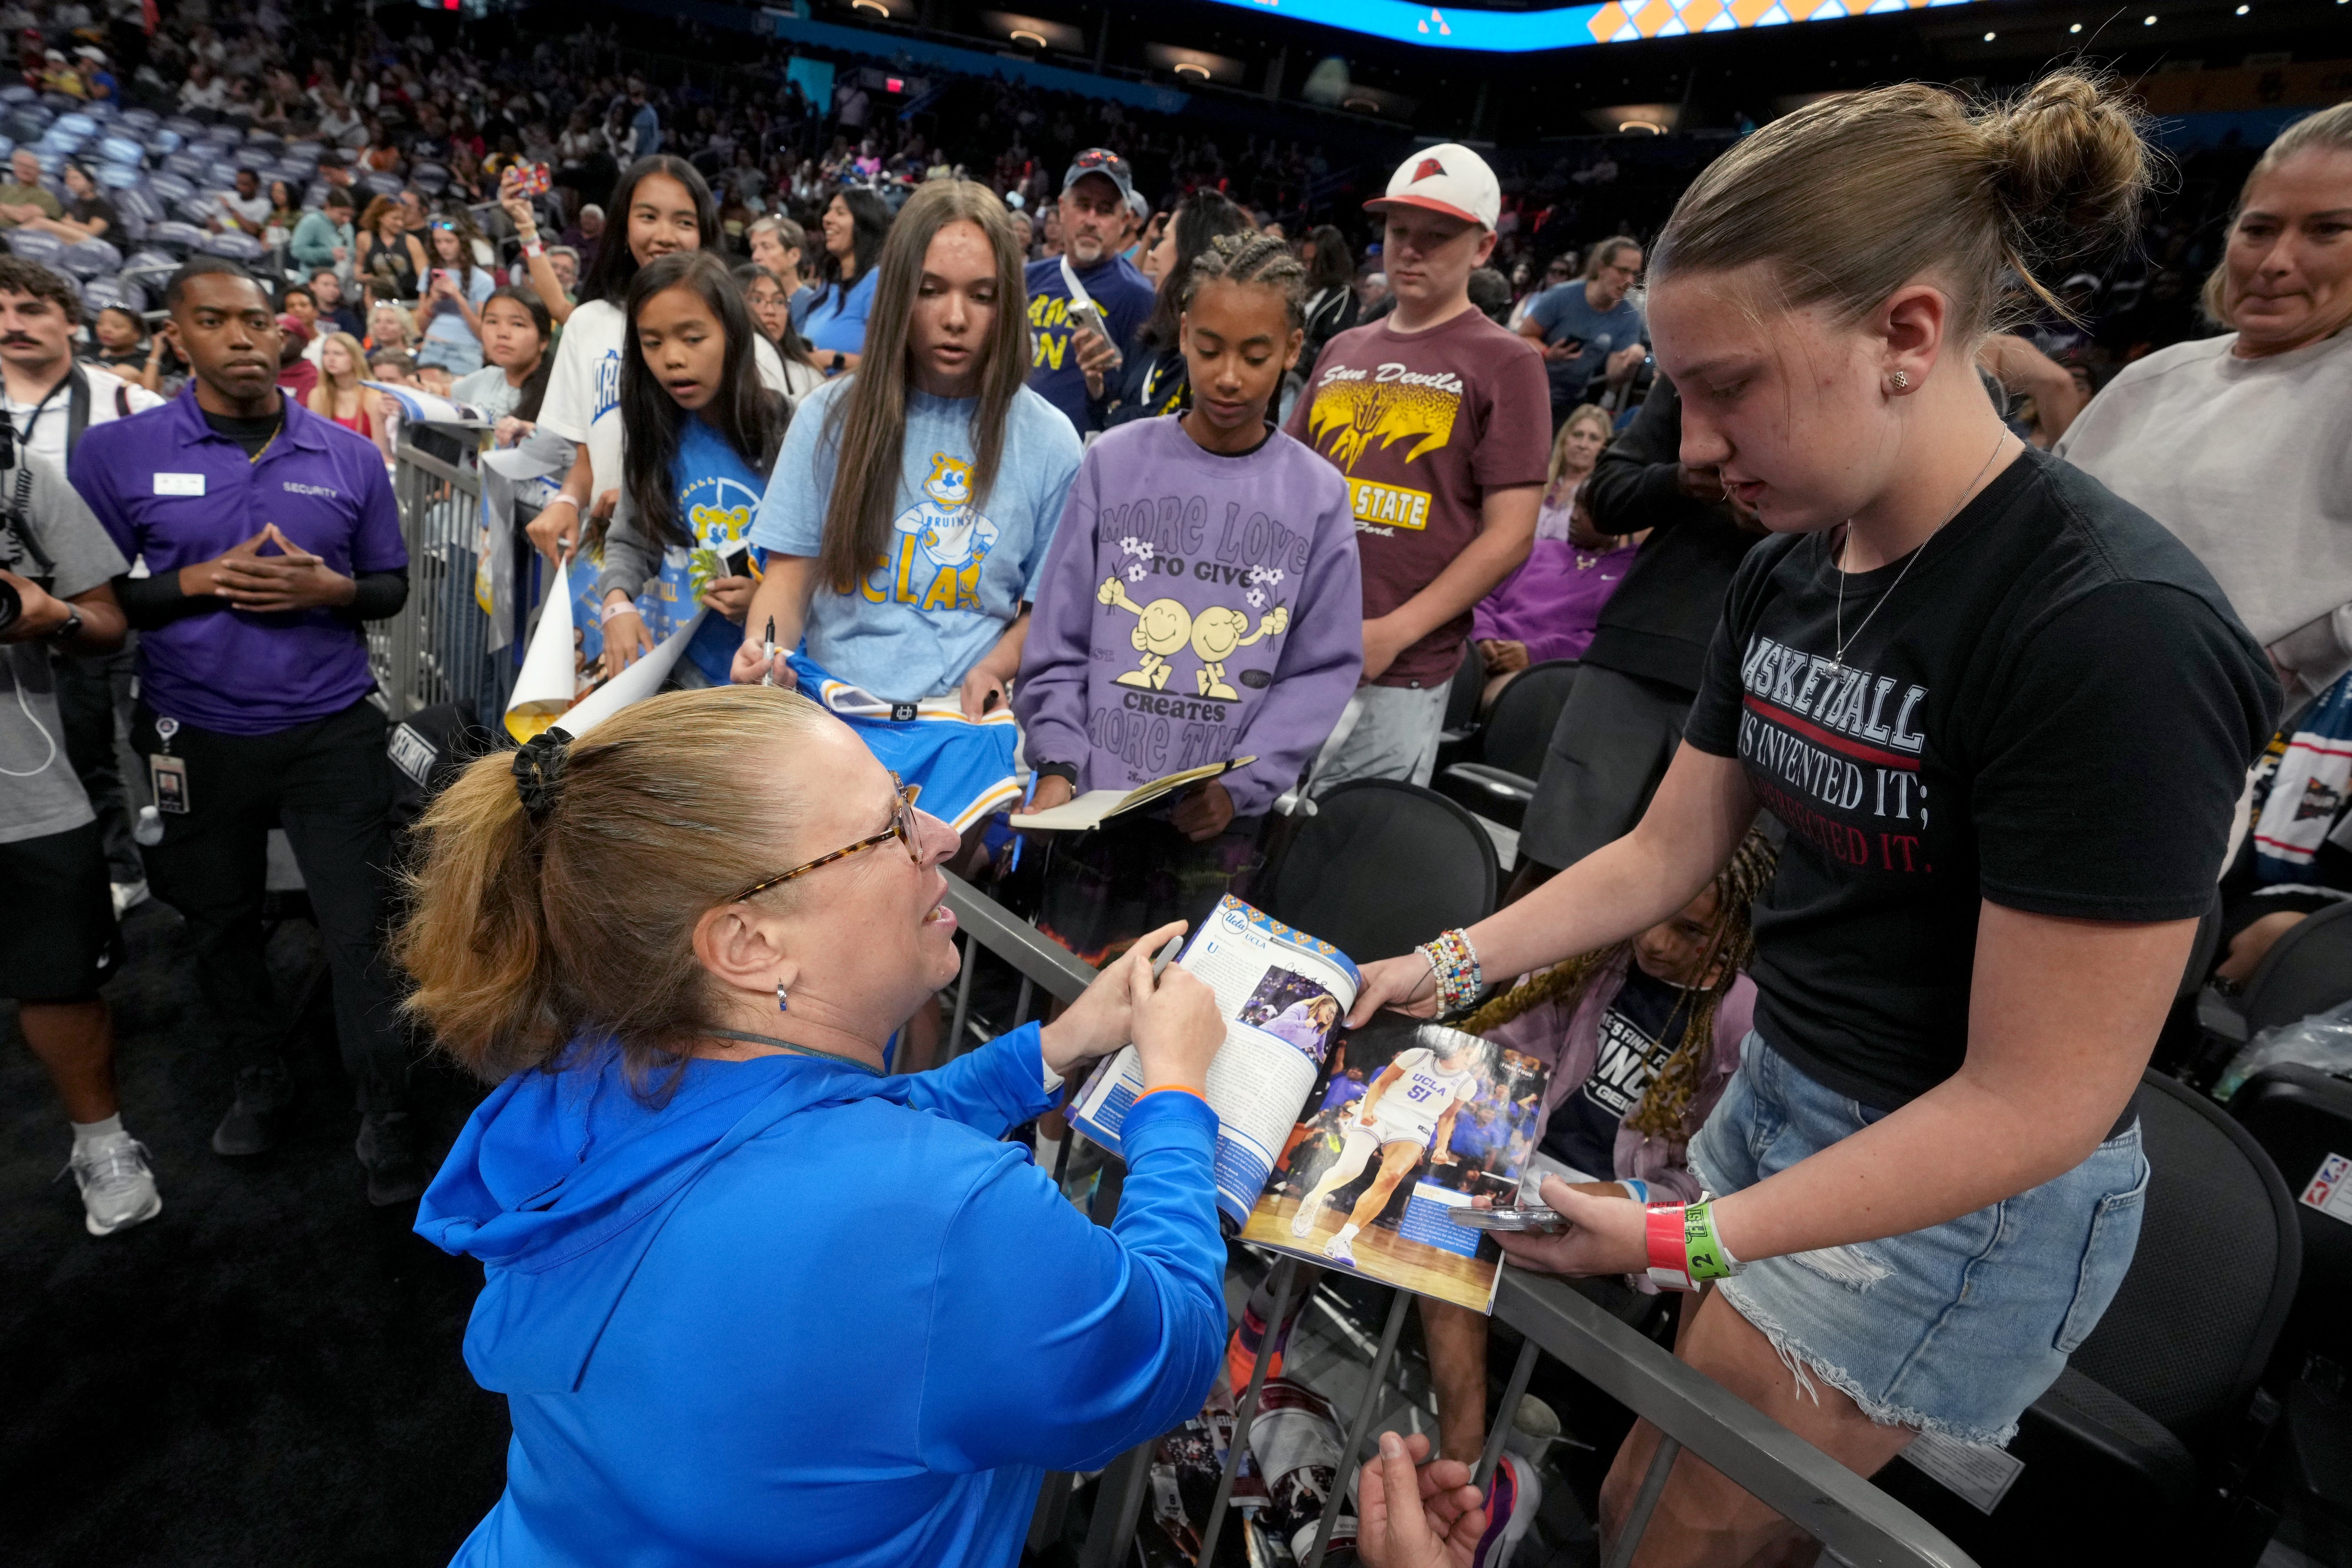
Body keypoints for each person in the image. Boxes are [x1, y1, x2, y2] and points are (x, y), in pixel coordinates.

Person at [1341, 73, 2278, 1564]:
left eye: (1728, 388)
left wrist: (1677, 1233)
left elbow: (2036, 1100)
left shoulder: (2111, 633)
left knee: (1671, 1523)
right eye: (1679, 392)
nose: (1690, 443)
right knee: (1666, 1483)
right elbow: (1663, 852)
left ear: (1905, 335)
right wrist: (1435, 966)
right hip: (1776, 1092)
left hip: (1947, 1184)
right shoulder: (1788, 568)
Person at [401, 686, 1228, 1565]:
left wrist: (1048, 1050)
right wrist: (1177, 1094)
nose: (942, 836)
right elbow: (1169, 1345)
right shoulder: (948, 1218)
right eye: (891, 826)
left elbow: (808, 1135)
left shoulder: (591, 1070)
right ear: (748, 943)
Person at [74, 258, 427, 1206]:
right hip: (194, 727)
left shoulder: (348, 455)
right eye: (214, 319)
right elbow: (95, 604)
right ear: (177, 335)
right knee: (219, 922)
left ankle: (387, 1107)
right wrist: (195, 582)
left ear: (282, 333)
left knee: (363, 926)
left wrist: (335, 589)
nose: (241, 336)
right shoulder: (117, 453)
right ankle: (258, 1073)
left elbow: (389, 587)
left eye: (258, 320)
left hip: (330, 726)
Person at [1017, 233, 1363, 964]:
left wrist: (1246, 783)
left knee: (1181, 1008)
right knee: (1069, 993)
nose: (1228, 377)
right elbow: (1058, 639)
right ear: (1181, 334)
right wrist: (1057, 761)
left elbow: (1320, 668)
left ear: (1292, 348)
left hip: (1219, 824)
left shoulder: (1317, 495)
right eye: (1209, 350)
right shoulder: (1113, 462)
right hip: (1092, 806)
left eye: (1254, 356)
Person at [735, 180, 1080, 737]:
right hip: (832, 723)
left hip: (961, 728)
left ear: (1008, 305)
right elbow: (788, 577)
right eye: (930, 290)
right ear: (898, 292)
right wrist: (765, 648)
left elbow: (1040, 612)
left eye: (982, 296)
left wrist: (993, 667)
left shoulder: (1050, 440)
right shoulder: (826, 417)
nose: (955, 318)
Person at [2056, 101, 2352, 701]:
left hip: (2187, 734)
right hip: (2037, 700)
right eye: (2258, 229)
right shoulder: (2153, 377)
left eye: (2326, 230)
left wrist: (2294, 658)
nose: (2274, 263)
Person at [1286, 144, 1550, 790]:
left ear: (1483, 248)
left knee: (1348, 842)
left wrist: (1392, 633)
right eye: (1399, 230)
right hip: (1293, 646)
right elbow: (1285, 488)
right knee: (1247, 832)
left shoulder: (1507, 362)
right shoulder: (1342, 348)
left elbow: (1511, 533)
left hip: (1399, 672)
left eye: (1435, 237)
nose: (1409, 250)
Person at [1511, 375, 1762, 898]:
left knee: (1701, 914)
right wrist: (1682, 480)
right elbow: (1604, 496)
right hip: (1642, 648)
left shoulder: (1875, 378)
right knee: (1551, 875)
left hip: (1776, 685)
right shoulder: (1699, 368)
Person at [0, 433, 156, 1237]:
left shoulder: (20, 476)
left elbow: (105, 621)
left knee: (61, 975)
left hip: (22, 780)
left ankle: (103, 1141)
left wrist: (49, 613)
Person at [526, 156, 795, 564]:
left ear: (705, 233)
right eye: (648, 217)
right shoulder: (588, 323)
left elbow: (774, 475)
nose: (665, 236)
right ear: (623, 225)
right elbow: (587, 454)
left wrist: (646, 498)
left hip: (716, 570)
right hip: (616, 562)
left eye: (684, 222)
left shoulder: (748, 345)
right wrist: (567, 500)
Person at [590, 252, 788, 689]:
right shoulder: (655, 436)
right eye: (652, 343)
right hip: (691, 676)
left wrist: (767, 602)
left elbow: (830, 564)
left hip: (780, 682)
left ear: (732, 334)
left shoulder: (789, 427)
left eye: (693, 338)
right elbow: (630, 539)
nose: (672, 358)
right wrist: (617, 603)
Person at [1287, 1027, 1488, 1270]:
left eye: (1475, 1057)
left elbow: (1448, 1116)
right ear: (1452, 1048)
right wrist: (1368, 1111)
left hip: (1415, 1127)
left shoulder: (1466, 1084)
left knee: (1391, 1178)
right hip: (1382, 1111)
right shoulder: (1418, 1056)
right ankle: (1314, 1199)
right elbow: (1380, 1083)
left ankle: (1343, 1240)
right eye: (1468, 1053)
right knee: (1349, 1170)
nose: (1471, 1060)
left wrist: (1442, 1147)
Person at [1471, 404, 1629, 708]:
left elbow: (1605, 642)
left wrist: (1534, 654)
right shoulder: (1540, 549)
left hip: (1543, 669)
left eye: (1585, 511)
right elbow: (1484, 597)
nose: (1573, 516)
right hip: (1488, 649)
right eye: (1575, 507)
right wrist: (1484, 637)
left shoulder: (1627, 572)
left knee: (1506, 697)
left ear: (1615, 516)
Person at [1082, 188, 1251, 431]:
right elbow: (1117, 411)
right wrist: (1098, 390)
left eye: (1165, 239)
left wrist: (1116, 412)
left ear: (1191, 252)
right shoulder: (1152, 333)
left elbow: (1157, 432)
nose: (1155, 254)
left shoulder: (1204, 349)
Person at [1028, 148, 1155, 434]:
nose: (1091, 219)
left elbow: (1139, 403)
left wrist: (1100, 390)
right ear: (1063, 209)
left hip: (1079, 448)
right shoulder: (1028, 278)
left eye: (1105, 210)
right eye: (1083, 205)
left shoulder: (1138, 297)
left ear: (1124, 221)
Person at [1518, 234, 1648, 426]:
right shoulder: (1562, 296)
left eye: (1634, 274)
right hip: (1528, 390)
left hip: (1570, 402)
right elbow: (1523, 336)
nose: (1629, 280)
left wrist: (1631, 361)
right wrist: (1547, 353)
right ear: (1602, 268)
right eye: (1622, 271)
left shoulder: (1629, 317)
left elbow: (1614, 374)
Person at [798, 186, 889, 373]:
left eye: (840, 213)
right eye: (829, 211)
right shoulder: (829, 284)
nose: (826, 219)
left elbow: (887, 363)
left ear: (864, 224)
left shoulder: (877, 281)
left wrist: (831, 359)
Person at [449, 285, 552, 433]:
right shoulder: (487, 377)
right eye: (492, 322)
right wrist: (427, 387)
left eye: (518, 324)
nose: (502, 333)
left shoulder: (557, 394)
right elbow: (446, 391)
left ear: (544, 341)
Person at [414, 216, 495, 377]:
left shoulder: (483, 280)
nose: (443, 247)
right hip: (433, 346)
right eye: (438, 242)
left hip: (466, 349)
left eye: (449, 241)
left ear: (462, 243)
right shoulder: (429, 273)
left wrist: (458, 297)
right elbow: (420, 326)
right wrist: (433, 300)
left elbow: (483, 332)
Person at [732, 262, 822, 401]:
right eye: (757, 300)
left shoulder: (809, 376)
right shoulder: (724, 370)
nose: (771, 311)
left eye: (779, 302)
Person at [308, 330, 396, 464]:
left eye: (338, 354)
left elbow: (381, 451)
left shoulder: (373, 397)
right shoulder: (318, 395)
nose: (330, 359)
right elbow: (315, 444)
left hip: (365, 464)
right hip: (329, 464)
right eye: (326, 353)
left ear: (354, 358)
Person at [1299, 222, 1358, 366]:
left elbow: (1336, 346)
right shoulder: (1307, 290)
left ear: (1329, 261)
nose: (1307, 268)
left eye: (1312, 262)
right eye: (1305, 261)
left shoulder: (1344, 296)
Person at [17, 160, 117, 245]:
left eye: (76, 178)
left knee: (40, 222)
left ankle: (13, 237)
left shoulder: (101, 206)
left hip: (101, 246)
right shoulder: (75, 204)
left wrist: (70, 223)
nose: (71, 182)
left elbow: (93, 232)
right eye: (68, 178)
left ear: (90, 183)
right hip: (78, 243)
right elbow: (66, 224)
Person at [355, 194, 426, 303]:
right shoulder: (364, 238)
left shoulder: (412, 242)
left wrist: (422, 305)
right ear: (380, 217)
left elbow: (424, 277)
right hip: (377, 300)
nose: (400, 223)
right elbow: (358, 268)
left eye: (402, 219)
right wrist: (368, 279)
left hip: (408, 301)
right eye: (395, 219)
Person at [289, 185, 355, 276]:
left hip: (340, 278)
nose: (346, 220)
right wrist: (329, 254)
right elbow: (297, 251)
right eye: (342, 214)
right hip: (312, 277)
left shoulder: (348, 227)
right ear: (328, 206)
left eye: (350, 215)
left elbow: (351, 252)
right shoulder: (312, 221)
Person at [0, 148, 63, 231]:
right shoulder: (3, 189)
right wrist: (12, 212)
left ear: (40, 171)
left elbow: (24, 216)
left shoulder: (46, 197)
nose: (25, 169)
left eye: (30, 167)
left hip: (15, 235)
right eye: (21, 165)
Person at [211, 167, 271, 236]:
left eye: (245, 184)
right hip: (217, 236)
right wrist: (213, 225)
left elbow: (252, 230)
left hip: (242, 239)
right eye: (239, 183)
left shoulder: (264, 205)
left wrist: (230, 209)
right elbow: (211, 217)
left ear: (256, 185)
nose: (241, 187)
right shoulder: (225, 196)